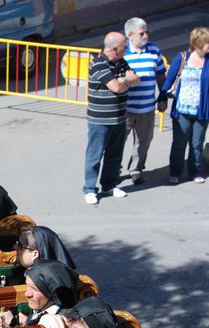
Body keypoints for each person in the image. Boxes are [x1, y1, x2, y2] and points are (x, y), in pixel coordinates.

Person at [83, 32, 140, 205]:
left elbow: (136, 80)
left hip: (119, 117)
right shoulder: (98, 64)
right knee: (95, 155)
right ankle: (90, 189)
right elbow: (116, 87)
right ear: (115, 49)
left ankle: (109, 185)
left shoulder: (122, 62)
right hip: (100, 120)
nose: (127, 48)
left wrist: (125, 81)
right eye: (124, 46)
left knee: (114, 155)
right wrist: (125, 80)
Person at [158, 27, 209, 184]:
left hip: (201, 111)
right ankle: (175, 172)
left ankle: (194, 172)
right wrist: (162, 97)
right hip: (182, 110)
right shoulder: (182, 58)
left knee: (196, 144)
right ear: (199, 43)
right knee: (179, 144)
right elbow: (169, 79)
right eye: (208, 42)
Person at [123, 17, 167, 185]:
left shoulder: (154, 50)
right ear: (130, 35)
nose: (146, 35)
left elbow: (160, 75)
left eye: (147, 32)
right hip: (125, 109)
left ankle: (135, 169)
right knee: (118, 143)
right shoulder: (122, 52)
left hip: (147, 108)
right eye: (142, 33)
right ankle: (112, 172)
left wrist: (162, 97)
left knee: (143, 142)